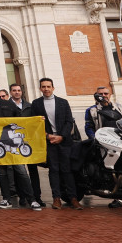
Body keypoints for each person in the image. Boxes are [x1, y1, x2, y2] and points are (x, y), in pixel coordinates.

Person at [0, 83, 40, 211]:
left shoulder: (9, 104)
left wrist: (37, 120)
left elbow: (20, 120)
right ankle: (6, 199)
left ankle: (32, 199)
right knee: (1, 173)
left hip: (12, 142)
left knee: (21, 171)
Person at [30, 77, 82, 210]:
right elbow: (34, 123)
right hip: (48, 142)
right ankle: (56, 198)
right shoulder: (36, 104)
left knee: (67, 170)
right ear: (40, 88)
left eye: (48, 86)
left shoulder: (63, 102)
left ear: (53, 88)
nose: (46, 89)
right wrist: (47, 136)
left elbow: (69, 121)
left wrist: (62, 136)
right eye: (43, 86)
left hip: (64, 142)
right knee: (53, 170)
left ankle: (73, 198)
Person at [9, 83, 45, 207]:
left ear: (22, 92)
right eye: (14, 90)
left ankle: (37, 196)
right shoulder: (6, 106)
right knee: (18, 171)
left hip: (29, 142)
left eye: (19, 90)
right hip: (14, 141)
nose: (17, 92)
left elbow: (35, 122)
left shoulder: (30, 106)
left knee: (33, 170)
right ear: (11, 92)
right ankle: (22, 196)